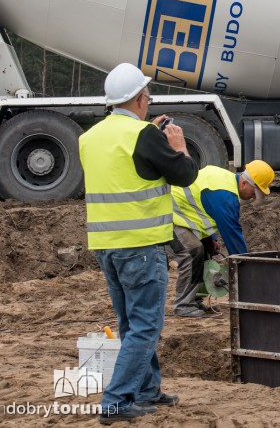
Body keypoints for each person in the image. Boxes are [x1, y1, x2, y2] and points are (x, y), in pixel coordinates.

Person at [79, 63, 198, 422]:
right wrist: (177, 146)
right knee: (146, 325)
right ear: (142, 98)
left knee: (131, 322)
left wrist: (151, 134)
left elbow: (126, 168)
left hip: (105, 244)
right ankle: (116, 401)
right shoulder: (143, 136)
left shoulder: (90, 137)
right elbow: (185, 175)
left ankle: (147, 390)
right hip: (141, 245)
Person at [168, 160, 275, 317]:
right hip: (167, 215)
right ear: (244, 183)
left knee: (207, 249)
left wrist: (211, 237)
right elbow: (233, 238)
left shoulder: (226, 181)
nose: (253, 197)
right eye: (255, 192)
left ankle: (195, 299)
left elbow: (202, 205)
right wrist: (247, 267)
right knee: (193, 252)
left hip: (182, 215)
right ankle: (183, 305)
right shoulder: (224, 196)